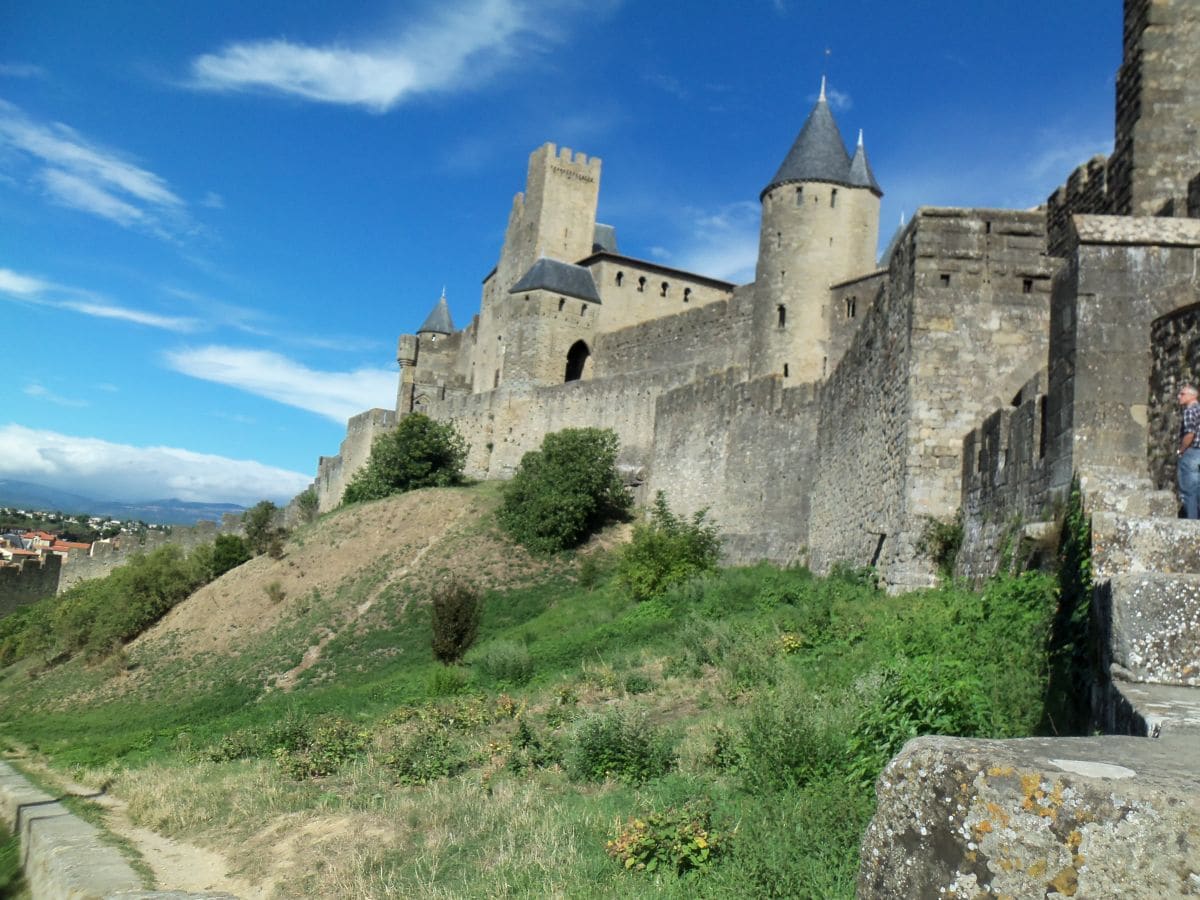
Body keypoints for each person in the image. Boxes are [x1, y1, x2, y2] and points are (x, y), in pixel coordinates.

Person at [1177, 383, 1200, 518]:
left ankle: (1192, 525)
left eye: (1182, 394)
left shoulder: (1190, 410)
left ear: (1193, 396)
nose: (1179, 396)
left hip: (1192, 453)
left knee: (1188, 492)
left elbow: (1190, 434)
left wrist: (1181, 450)